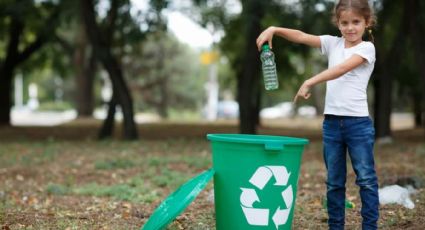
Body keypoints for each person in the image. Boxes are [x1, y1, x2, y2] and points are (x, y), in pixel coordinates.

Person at [256, 0, 379, 229]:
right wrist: (275, 30)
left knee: (366, 180)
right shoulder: (333, 44)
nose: (350, 28)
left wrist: (310, 81)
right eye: (344, 23)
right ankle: (336, 226)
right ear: (338, 23)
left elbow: (342, 69)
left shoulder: (366, 48)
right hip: (331, 124)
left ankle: (370, 226)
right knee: (334, 182)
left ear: (366, 22)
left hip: (358, 125)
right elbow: (301, 36)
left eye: (356, 22)